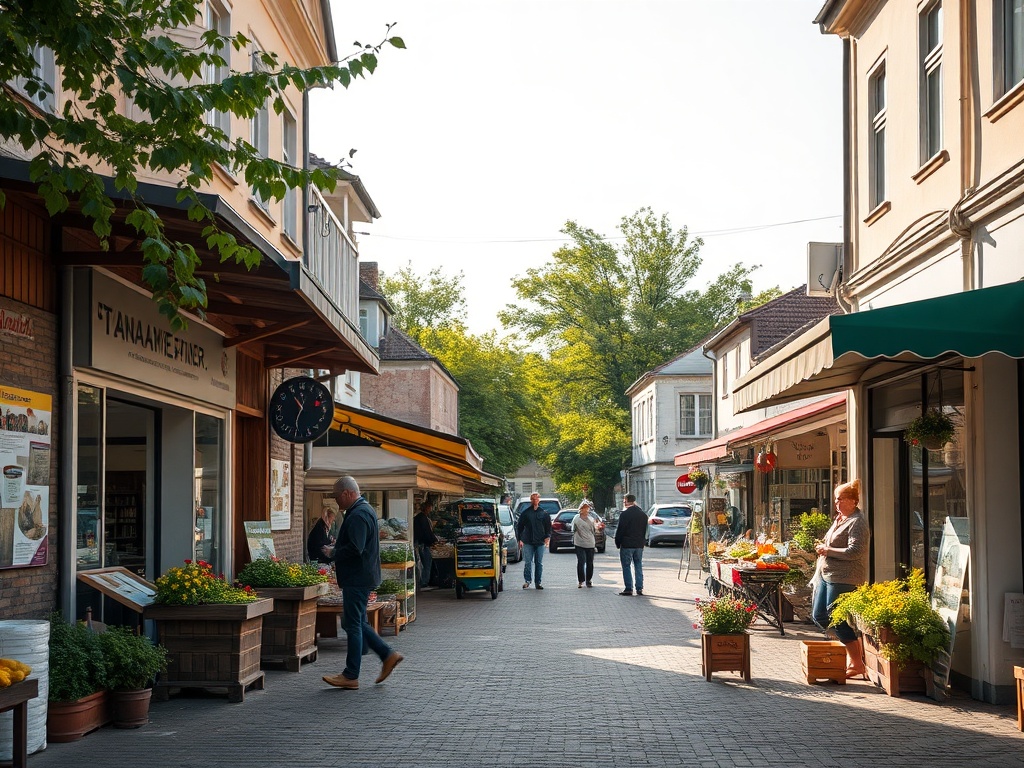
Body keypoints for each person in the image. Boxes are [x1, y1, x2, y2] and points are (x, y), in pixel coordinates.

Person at [322, 476, 403, 690]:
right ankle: (388, 655)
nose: (337, 502)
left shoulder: (358, 514)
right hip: (362, 577)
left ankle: (351, 675)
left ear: (348, 493)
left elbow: (355, 549)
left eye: (338, 497)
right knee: (357, 622)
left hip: (357, 578)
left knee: (353, 624)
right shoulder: (364, 511)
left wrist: (334, 552)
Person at [811, 478, 870, 679]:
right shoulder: (840, 519)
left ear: (854, 501)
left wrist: (828, 550)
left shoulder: (857, 522)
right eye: (836, 499)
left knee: (837, 618)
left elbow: (856, 551)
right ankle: (853, 647)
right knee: (819, 615)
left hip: (845, 577)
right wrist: (824, 548)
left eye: (842, 499)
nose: (837, 503)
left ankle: (857, 663)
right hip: (828, 574)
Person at [515, 492, 551, 589]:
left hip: (540, 541)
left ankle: (538, 582)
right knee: (528, 562)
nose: (535, 500)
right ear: (531, 500)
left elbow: (548, 527)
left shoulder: (544, 513)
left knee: (539, 563)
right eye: (533, 499)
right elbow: (519, 527)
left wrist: (547, 537)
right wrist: (520, 539)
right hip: (528, 541)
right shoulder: (526, 513)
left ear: (539, 500)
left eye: (536, 498)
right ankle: (527, 581)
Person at [615, 494, 647, 596]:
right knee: (638, 565)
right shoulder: (643, 515)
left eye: (624, 501)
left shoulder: (624, 515)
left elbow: (620, 530)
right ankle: (639, 588)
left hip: (627, 544)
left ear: (628, 501)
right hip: (639, 545)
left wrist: (617, 542)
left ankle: (629, 588)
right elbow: (645, 530)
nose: (624, 503)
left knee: (626, 566)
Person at [571, 501, 599, 588]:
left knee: (590, 562)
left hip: (590, 543)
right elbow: (573, 529)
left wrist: (598, 527)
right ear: (581, 509)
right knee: (581, 561)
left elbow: (595, 530)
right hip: (579, 542)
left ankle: (588, 580)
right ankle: (581, 580)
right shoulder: (576, 518)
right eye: (585, 508)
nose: (587, 509)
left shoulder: (591, 518)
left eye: (588, 508)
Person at [413, 500, 438, 591]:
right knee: (426, 563)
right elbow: (427, 532)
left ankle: (422, 581)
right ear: (427, 508)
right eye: (430, 507)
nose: (431, 509)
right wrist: (433, 541)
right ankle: (424, 582)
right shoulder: (422, 518)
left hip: (419, 543)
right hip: (422, 544)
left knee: (422, 563)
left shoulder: (419, 517)